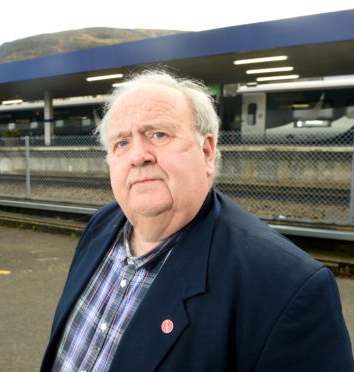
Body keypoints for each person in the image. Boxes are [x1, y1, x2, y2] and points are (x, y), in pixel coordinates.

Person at [40, 71, 354, 371]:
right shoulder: (101, 225)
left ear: (206, 152)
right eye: (121, 143)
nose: (138, 155)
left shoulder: (288, 288)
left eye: (158, 134)